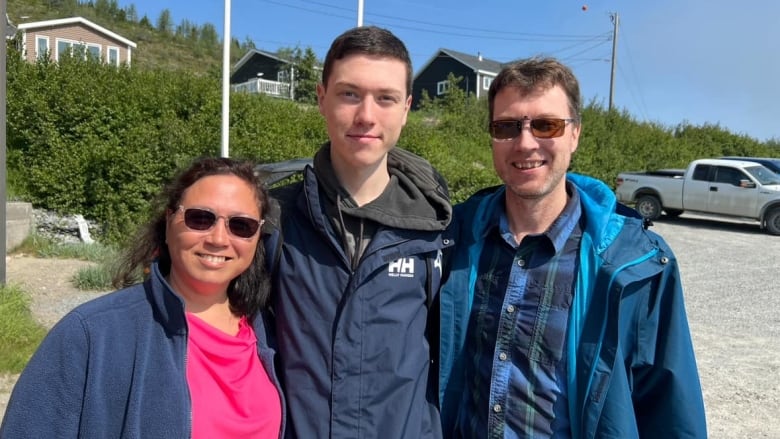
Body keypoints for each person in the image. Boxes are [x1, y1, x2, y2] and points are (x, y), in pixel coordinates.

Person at [438, 57, 707, 438]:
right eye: (507, 127)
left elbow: (670, 407)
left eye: (546, 125)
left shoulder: (637, 262)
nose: (525, 142)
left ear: (575, 134)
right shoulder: (452, 239)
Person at [1, 157, 285, 438]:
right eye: (200, 218)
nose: (219, 239)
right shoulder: (92, 335)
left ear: (258, 236)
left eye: (241, 226)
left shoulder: (272, 333)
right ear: (170, 218)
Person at [264, 26, 451, 438]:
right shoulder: (274, 220)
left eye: (385, 98)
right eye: (350, 94)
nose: (366, 115)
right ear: (321, 99)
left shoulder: (440, 232)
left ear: (406, 108)